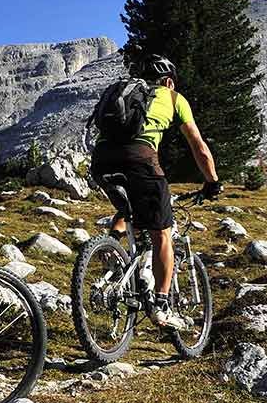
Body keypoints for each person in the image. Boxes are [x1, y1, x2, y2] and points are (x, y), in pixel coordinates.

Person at [91, 55, 222, 329]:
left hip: (101, 161)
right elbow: (198, 146)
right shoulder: (174, 98)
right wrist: (211, 181)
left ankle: (111, 247)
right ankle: (161, 306)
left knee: (128, 209)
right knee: (162, 232)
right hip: (140, 160)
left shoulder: (124, 93)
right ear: (169, 81)